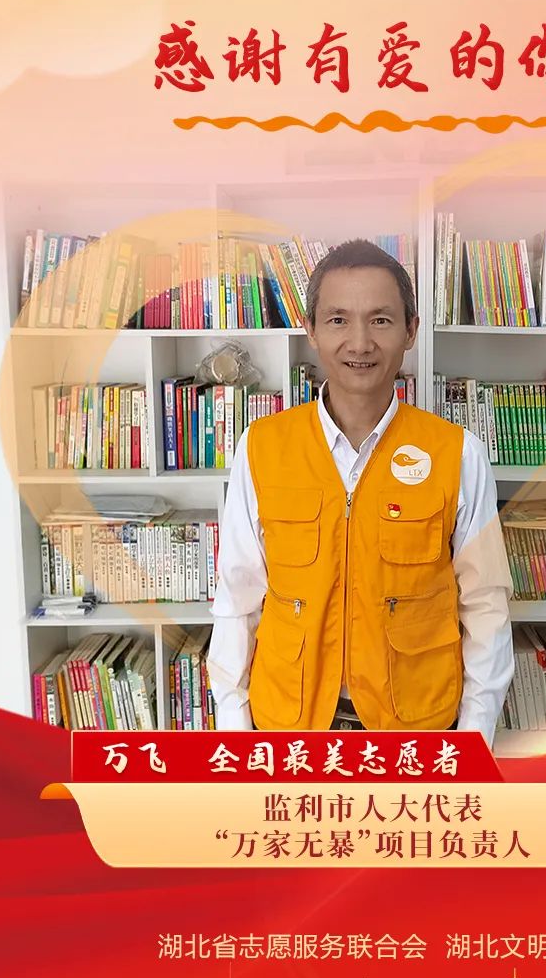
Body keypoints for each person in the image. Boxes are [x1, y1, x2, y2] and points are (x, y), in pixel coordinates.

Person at [207, 238, 514, 743]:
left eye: (381, 320)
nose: (359, 342)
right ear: (311, 330)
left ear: (411, 331)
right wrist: (236, 733)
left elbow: (485, 607)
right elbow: (237, 599)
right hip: (289, 724)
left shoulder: (457, 454)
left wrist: (474, 738)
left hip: (415, 726)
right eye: (338, 320)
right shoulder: (261, 448)